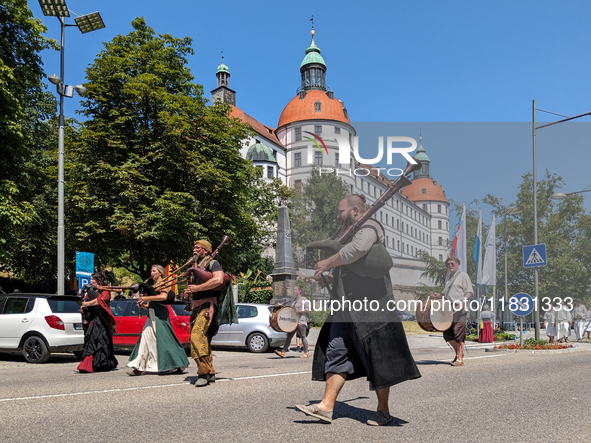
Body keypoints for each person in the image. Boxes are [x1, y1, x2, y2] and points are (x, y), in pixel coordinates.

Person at [295, 194, 421, 426]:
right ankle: (326, 406)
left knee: (378, 357)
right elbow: (351, 269)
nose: (337, 215)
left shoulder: (370, 226)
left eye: (341, 211)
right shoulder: (350, 232)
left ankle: (383, 411)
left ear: (355, 211)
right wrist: (330, 279)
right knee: (335, 350)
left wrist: (327, 263)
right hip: (345, 309)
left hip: (372, 309)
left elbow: (359, 250)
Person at [127, 265, 189, 376]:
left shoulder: (164, 284)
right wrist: (144, 305)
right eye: (151, 271)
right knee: (144, 340)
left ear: (160, 273)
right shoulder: (154, 285)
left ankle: (179, 363)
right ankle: (139, 367)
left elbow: (163, 297)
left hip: (160, 316)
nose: (151, 273)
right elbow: (153, 303)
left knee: (166, 341)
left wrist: (146, 298)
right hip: (151, 315)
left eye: (154, 271)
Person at [183, 240, 225, 387]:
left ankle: (203, 373)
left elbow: (219, 280)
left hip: (207, 307)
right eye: (193, 247)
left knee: (196, 337)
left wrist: (197, 289)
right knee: (204, 341)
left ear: (205, 251)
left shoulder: (213, 263)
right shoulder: (197, 266)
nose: (194, 249)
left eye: (197, 247)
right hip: (196, 308)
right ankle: (211, 371)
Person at [431, 257, 473, 366]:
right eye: (448, 264)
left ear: (458, 264)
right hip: (448, 308)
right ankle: (459, 353)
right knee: (447, 334)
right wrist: (438, 295)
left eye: (452, 263)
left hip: (459, 307)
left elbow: (469, 292)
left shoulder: (463, 275)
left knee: (458, 331)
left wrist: (462, 303)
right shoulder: (448, 279)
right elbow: (446, 294)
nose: (450, 265)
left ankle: (459, 359)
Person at [77, 271, 118, 373]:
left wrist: (87, 304)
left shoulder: (105, 291)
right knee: (90, 340)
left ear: (99, 280)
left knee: (100, 340)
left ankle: (99, 364)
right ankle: (89, 363)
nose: (90, 281)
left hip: (101, 320)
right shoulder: (91, 290)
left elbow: (100, 301)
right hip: (92, 318)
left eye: (92, 279)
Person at [275, 285, 310, 358]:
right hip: (293, 321)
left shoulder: (304, 299)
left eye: (296, 290)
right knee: (289, 336)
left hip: (301, 320)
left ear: (300, 291)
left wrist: (299, 311)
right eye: (294, 290)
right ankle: (283, 352)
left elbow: (309, 310)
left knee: (303, 336)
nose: (294, 291)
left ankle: (306, 353)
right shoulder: (294, 300)